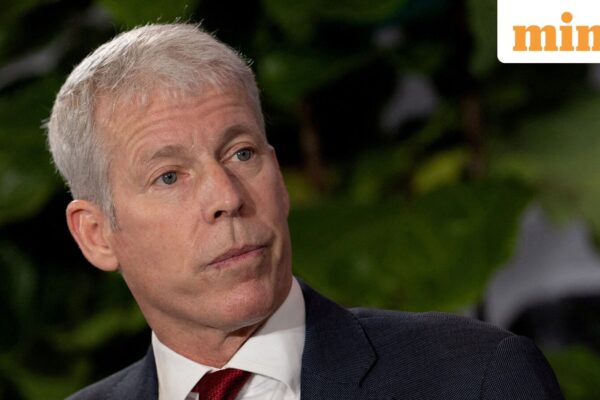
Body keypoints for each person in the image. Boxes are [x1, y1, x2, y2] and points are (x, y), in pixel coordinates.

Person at [46, 23, 563, 400]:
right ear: (96, 234)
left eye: (241, 154)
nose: (227, 197)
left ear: (277, 175)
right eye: (169, 176)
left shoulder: (476, 378)